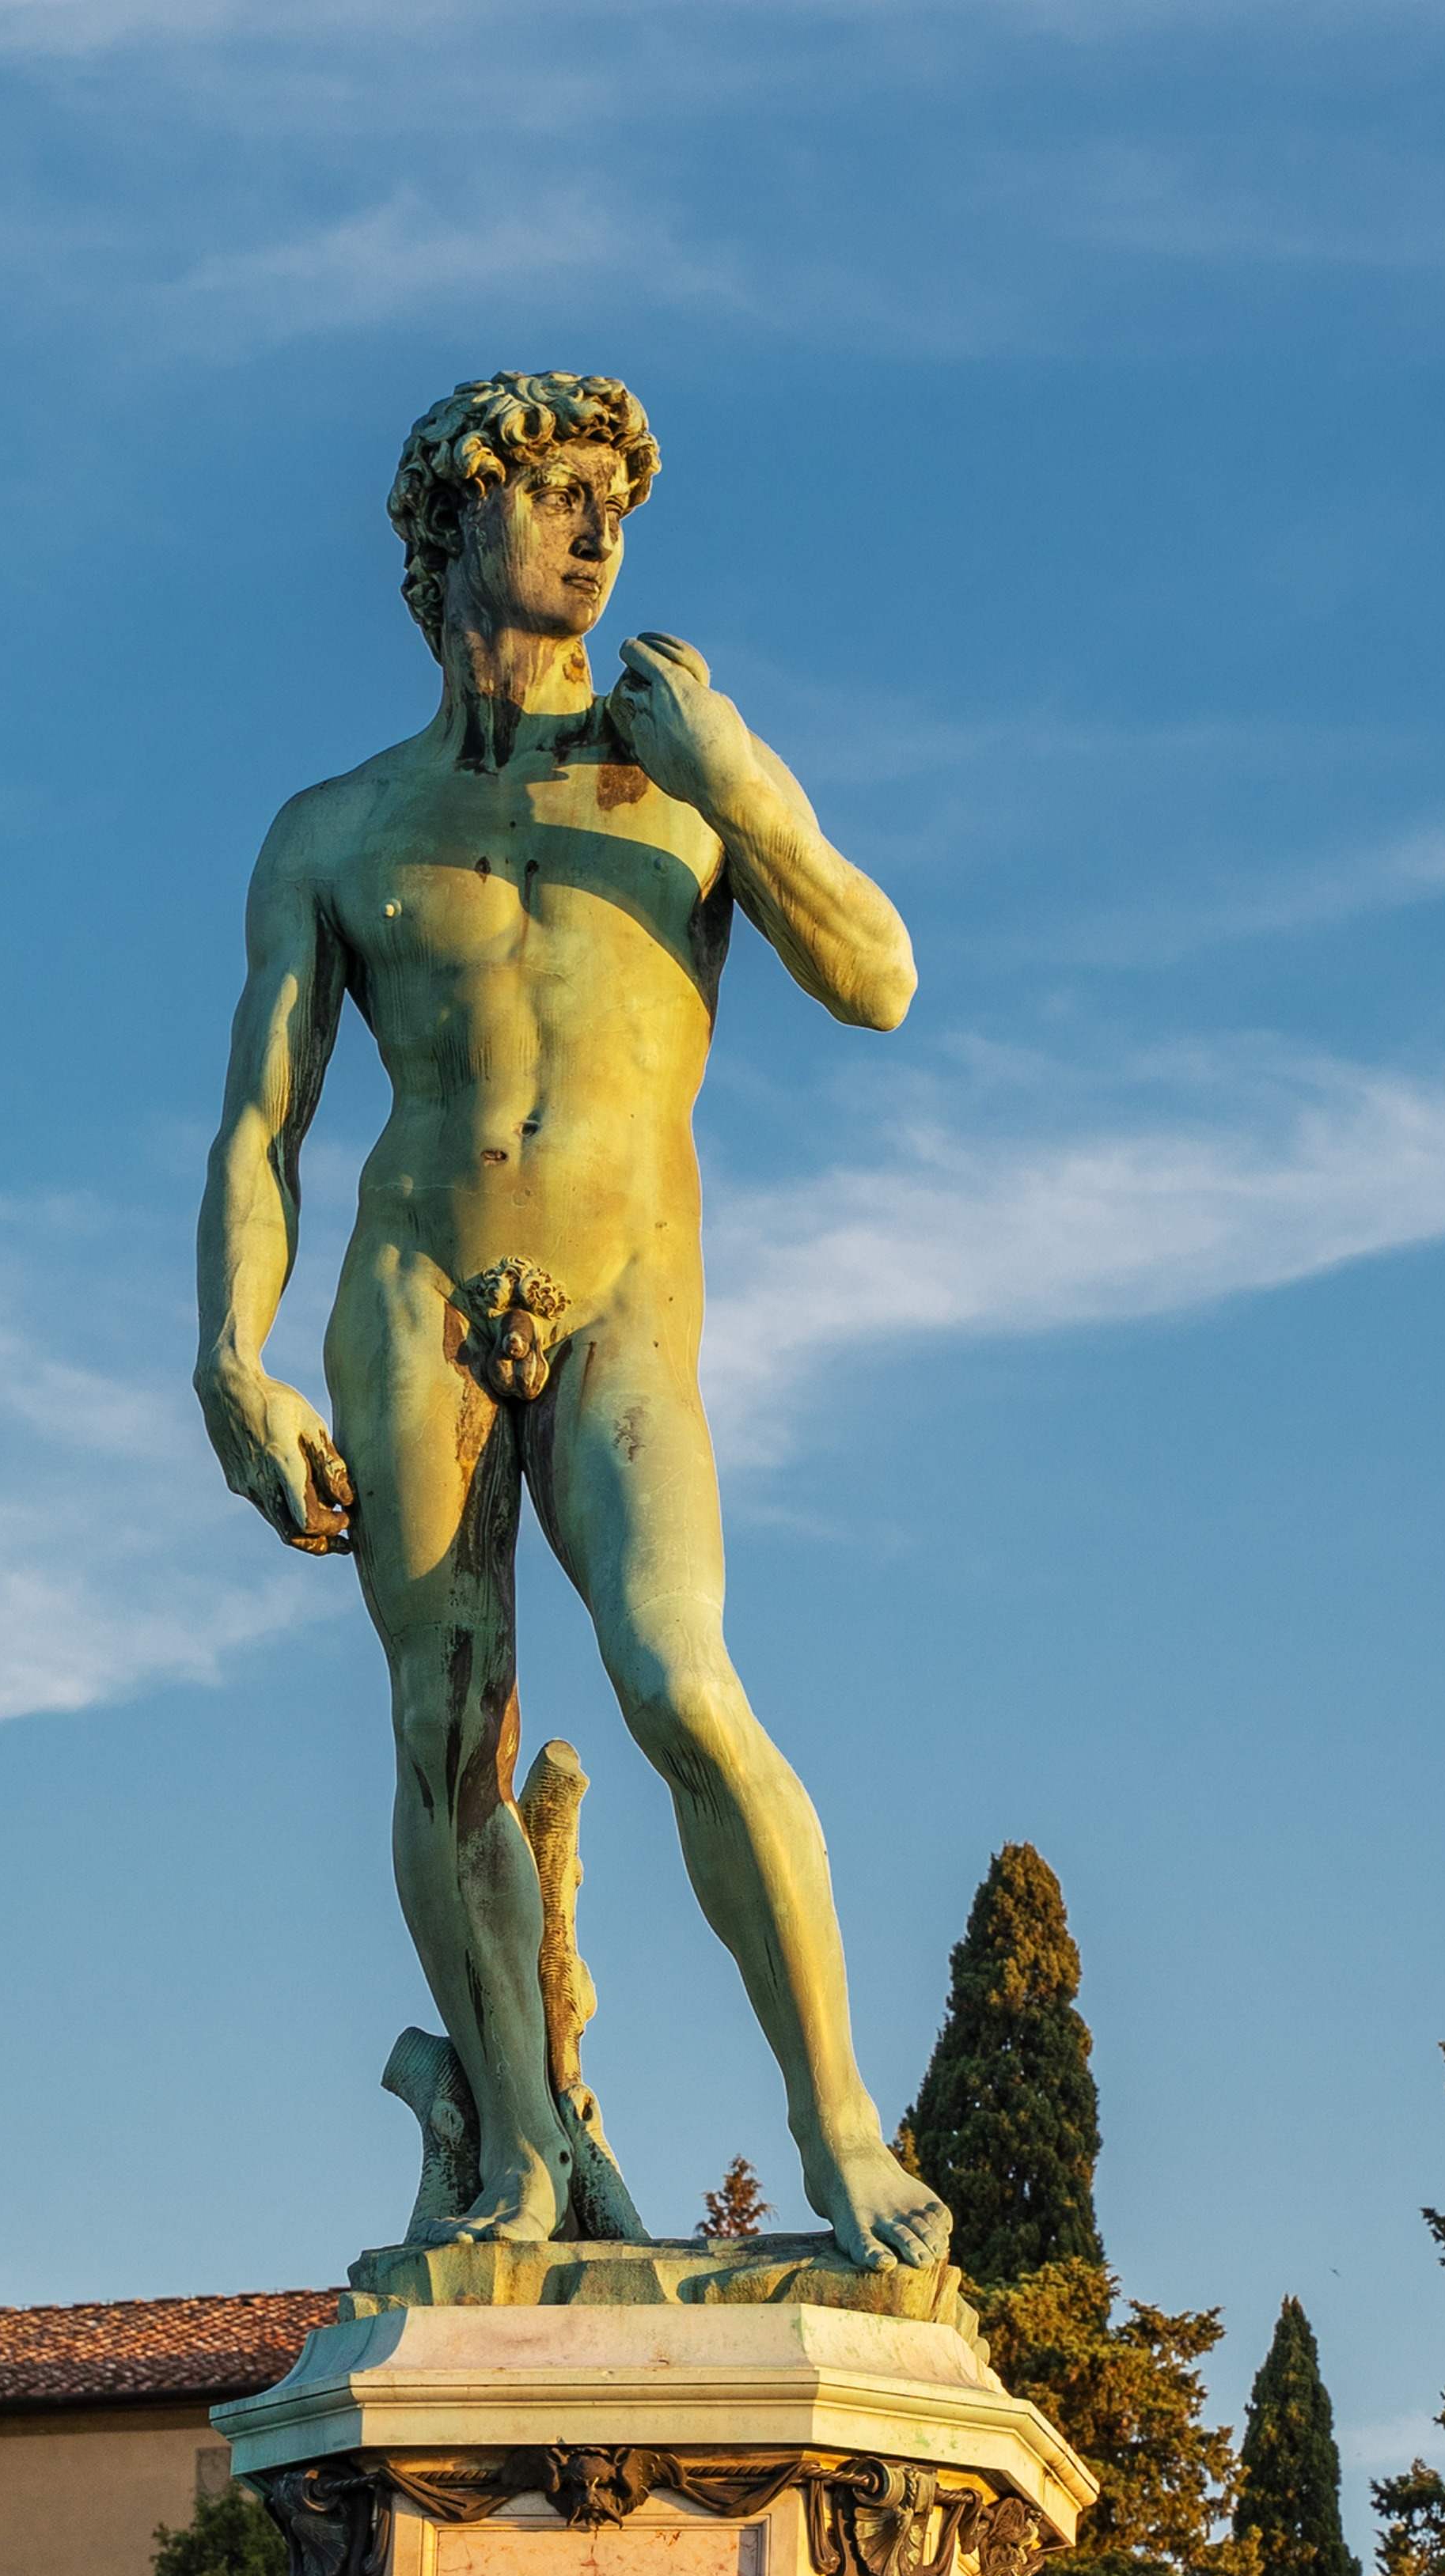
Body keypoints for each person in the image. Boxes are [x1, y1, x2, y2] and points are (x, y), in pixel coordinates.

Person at [189, 369, 949, 2273]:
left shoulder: (684, 776)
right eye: (556, 492)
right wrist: (228, 1362)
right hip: (412, 1286)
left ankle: (844, 2133)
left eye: (619, 496)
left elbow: (877, 977)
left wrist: (740, 779)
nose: (601, 528)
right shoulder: (339, 827)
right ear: (455, 525)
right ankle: (521, 2146)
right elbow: (262, 1126)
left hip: (621, 1290)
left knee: (680, 1677)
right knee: (444, 1735)